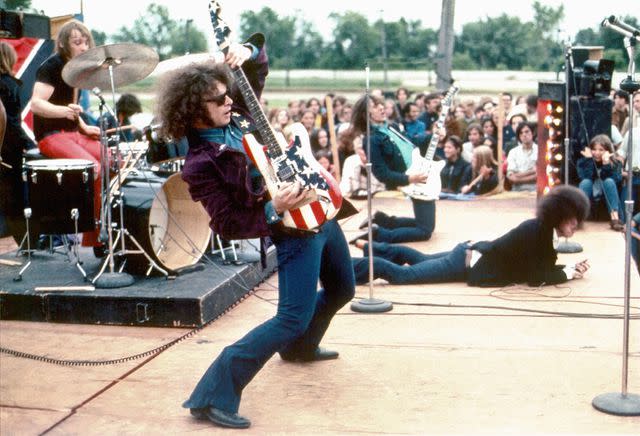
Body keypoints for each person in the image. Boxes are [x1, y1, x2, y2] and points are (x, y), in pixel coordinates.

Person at [155, 34, 355, 429]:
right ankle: (212, 394)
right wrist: (273, 208)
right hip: (291, 227)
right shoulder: (199, 164)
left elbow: (256, 66)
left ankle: (300, 349)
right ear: (196, 111)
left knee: (343, 288)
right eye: (218, 99)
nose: (228, 100)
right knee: (290, 318)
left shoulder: (241, 113)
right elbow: (228, 224)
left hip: (321, 211)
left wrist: (247, 50)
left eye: (227, 94)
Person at [351, 185, 591, 286]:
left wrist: (568, 268)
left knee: (418, 259)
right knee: (405, 275)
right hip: (466, 262)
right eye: (572, 220)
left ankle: (368, 243)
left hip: (466, 255)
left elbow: (540, 267)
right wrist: (568, 273)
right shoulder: (536, 231)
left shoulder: (542, 231)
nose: (575, 226)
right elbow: (536, 277)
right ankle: (349, 269)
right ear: (559, 214)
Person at [29, 20, 104, 251]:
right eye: (77, 42)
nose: (83, 47)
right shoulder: (51, 67)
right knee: (93, 167)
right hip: (50, 135)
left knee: (112, 159)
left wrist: (83, 126)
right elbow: (36, 104)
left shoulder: (76, 69)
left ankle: (94, 236)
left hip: (71, 134)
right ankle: (78, 226)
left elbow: (69, 108)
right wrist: (66, 112)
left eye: (86, 42)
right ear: (63, 44)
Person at [351, 94, 437, 243]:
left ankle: (382, 220)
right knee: (424, 231)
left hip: (417, 175)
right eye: (375, 105)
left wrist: (433, 135)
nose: (381, 107)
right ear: (366, 114)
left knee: (426, 226)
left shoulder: (393, 127)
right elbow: (381, 173)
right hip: (410, 179)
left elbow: (412, 141)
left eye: (380, 104)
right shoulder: (371, 139)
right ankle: (379, 235)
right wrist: (409, 179)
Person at [0, 42, 36, 235]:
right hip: (8, 146)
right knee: (13, 193)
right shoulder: (11, 85)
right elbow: (12, 122)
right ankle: (23, 236)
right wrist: (27, 143)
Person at [577, 134, 624, 231]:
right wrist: (589, 160)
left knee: (609, 181)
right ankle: (577, 217)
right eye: (594, 149)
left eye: (601, 150)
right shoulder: (583, 162)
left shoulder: (616, 164)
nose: (597, 153)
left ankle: (615, 220)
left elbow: (616, 182)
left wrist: (606, 164)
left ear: (608, 151)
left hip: (608, 208)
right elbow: (585, 176)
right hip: (590, 207)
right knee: (586, 182)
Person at [506, 122, 537, 191]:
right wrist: (531, 171)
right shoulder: (513, 152)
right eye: (521, 133)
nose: (524, 135)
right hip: (516, 191)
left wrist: (518, 176)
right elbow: (511, 177)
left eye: (527, 132)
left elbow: (538, 176)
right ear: (518, 136)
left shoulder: (540, 151)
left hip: (535, 190)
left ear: (532, 133)